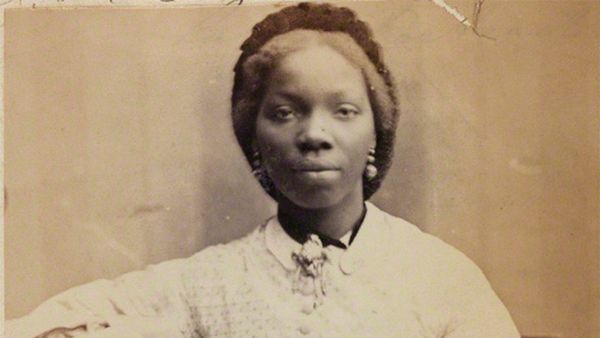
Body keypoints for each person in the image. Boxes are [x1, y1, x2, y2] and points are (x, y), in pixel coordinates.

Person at [6, 3, 520, 337]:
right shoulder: (208, 283)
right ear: (255, 137)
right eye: (284, 112)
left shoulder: (440, 277)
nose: (314, 135)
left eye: (343, 111)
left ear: (375, 134)